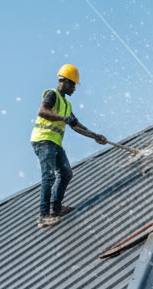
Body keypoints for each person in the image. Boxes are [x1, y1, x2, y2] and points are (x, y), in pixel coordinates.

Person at [30, 64, 108, 228]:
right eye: (72, 84)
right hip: (43, 140)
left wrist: (95, 136)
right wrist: (63, 119)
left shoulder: (67, 105)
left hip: (55, 143)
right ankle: (43, 216)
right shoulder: (52, 94)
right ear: (62, 81)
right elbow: (43, 111)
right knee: (49, 176)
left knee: (66, 173)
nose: (74, 88)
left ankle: (56, 209)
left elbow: (75, 125)